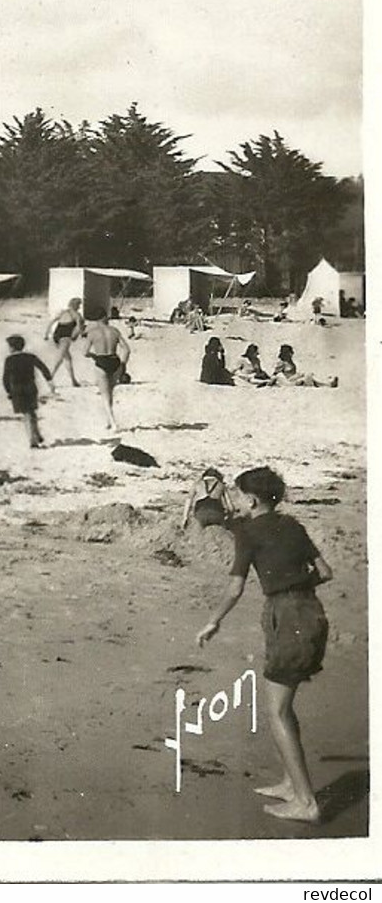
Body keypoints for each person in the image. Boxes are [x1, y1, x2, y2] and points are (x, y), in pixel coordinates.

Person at [195, 467, 333, 824]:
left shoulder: (250, 534)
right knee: (285, 707)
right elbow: (325, 571)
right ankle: (291, 782)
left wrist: (213, 621)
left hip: (285, 619)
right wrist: (295, 580)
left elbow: (235, 588)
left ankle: (306, 802)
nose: (239, 501)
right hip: (312, 613)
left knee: (276, 712)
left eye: (242, 495)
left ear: (252, 499)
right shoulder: (293, 526)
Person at [83, 308, 131, 432]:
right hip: (115, 361)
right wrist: (123, 364)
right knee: (110, 392)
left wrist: (94, 356)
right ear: (105, 318)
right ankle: (108, 421)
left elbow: (85, 352)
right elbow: (126, 349)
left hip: (101, 361)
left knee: (104, 395)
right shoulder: (114, 331)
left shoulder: (92, 333)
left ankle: (113, 423)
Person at [1, 335, 53, 449]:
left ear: (12, 347)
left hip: (17, 389)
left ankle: (32, 440)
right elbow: (43, 368)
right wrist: (49, 380)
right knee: (31, 411)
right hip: (30, 387)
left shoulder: (9, 360)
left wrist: (8, 391)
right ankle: (37, 433)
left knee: (26, 414)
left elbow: (5, 378)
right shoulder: (30, 357)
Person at [44, 298, 85, 387]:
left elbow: (52, 322)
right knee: (59, 359)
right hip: (65, 337)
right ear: (77, 305)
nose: (80, 307)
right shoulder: (77, 315)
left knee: (68, 359)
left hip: (56, 335)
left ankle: (73, 380)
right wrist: (78, 335)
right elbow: (79, 327)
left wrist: (46, 333)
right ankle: (49, 377)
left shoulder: (63, 312)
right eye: (79, 305)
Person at [273, 345, 337, 388]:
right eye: (290, 352)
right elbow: (275, 374)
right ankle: (327, 384)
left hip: (295, 378)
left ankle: (327, 384)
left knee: (309, 375)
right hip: (290, 381)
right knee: (306, 375)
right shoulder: (281, 363)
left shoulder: (290, 361)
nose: (292, 354)